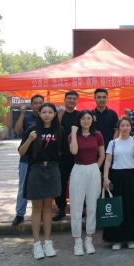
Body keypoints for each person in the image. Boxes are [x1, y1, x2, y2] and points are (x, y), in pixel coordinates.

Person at [18, 102, 62, 260]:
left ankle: (48, 242)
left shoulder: (59, 130)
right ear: (40, 113)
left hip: (52, 169)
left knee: (48, 207)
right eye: (44, 112)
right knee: (37, 208)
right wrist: (30, 139)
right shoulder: (32, 130)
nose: (47, 115)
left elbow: (61, 151)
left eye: (50, 112)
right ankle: (36, 243)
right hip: (36, 169)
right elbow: (21, 152)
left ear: (54, 114)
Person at [103, 117, 134, 250]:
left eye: (127, 125)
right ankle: (117, 239)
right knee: (117, 207)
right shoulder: (113, 143)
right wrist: (105, 178)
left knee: (131, 206)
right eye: (122, 125)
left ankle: (131, 237)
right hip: (116, 176)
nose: (125, 128)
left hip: (131, 176)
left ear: (131, 127)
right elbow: (108, 161)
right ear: (119, 128)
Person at [69, 110, 105, 256]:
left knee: (92, 205)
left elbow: (102, 155)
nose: (86, 121)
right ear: (79, 120)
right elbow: (73, 151)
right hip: (78, 169)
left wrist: (96, 168)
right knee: (76, 207)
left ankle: (89, 239)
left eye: (88, 118)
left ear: (92, 120)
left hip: (93, 169)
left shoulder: (98, 135)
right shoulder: (73, 135)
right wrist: (73, 132)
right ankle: (77, 241)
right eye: (83, 118)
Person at [12, 94, 44, 226]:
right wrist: (21, 114)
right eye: (36, 103)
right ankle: (20, 214)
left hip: (42, 159)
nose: (38, 105)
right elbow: (17, 130)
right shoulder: (27, 118)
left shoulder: (47, 117)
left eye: (41, 103)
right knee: (23, 187)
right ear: (32, 105)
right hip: (26, 158)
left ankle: (40, 214)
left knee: (41, 188)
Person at [53, 90, 80, 222]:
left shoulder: (80, 115)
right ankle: (61, 208)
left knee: (78, 183)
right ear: (64, 100)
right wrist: (60, 114)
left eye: (74, 99)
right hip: (62, 154)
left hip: (78, 154)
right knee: (61, 182)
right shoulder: (58, 114)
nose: (71, 101)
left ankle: (78, 208)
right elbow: (54, 128)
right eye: (69, 98)